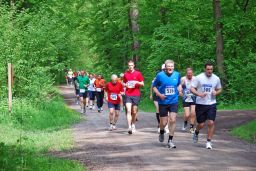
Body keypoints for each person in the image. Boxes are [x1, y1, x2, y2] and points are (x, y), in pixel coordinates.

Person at [190, 62, 222, 149]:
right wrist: (199, 94)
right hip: (200, 104)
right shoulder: (199, 77)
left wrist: (216, 92)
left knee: (211, 122)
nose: (209, 71)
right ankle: (196, 131)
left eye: (211, 69)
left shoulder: (216, 78)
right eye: (208, 69)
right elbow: (192, 88)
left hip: (211, 103)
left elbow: (219, 89)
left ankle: (208, 142)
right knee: (201, 124)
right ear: (205, 69)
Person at [153, 59, 182, 148]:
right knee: (164, 122)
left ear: (173, 67)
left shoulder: (177, 74)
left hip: (174, 101)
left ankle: (170, 140)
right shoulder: (160, 75)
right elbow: (154, 87)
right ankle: (162, 131)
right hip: (163, 101)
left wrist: (180, 89)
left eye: (172, 66)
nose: (170, 68)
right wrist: (159, 95)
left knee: (173, 120)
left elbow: (179, 84)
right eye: (168, 67)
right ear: (165, 67)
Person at [123, 60, 144, 134]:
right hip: (128, 94)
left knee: (134, 111)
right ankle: (129, 127)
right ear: (128, 66)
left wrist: (137, 82)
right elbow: (124, 83)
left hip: (136, 94)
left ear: (134, 65)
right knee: (128, 110)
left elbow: (142, 84)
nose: (130, 67)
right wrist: (125, 85)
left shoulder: (138, 74)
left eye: (131, 65)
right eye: (129, 65)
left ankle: (133, 124)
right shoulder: (125, 74)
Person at [150, 64, 169, 134]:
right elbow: (152, 86)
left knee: (167, 112)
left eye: (165, 69)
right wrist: (151, 94)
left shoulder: (170, 76)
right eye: (163, 69)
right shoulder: (157, 76)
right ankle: (159, 125)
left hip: (166, 96)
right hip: (157, 96)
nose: (164, 70)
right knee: (158, 110)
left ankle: (166, 126)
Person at [181, 68, 196, 133]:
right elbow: (179, 87)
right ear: (186, 73)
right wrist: (180, 91)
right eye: (188, 73)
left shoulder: (195, 79)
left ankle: (191, 127)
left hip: (193, 98)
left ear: (192, 73)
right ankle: (185, 122)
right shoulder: (183, 79)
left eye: (191, 73)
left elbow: (199, 87)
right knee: (187, 115)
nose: (189, 75)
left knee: (193, 113)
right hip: (186, 98)